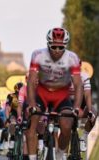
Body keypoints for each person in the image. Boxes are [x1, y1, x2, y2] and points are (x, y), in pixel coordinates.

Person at [27, 27, 83, 160]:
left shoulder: (72, 58)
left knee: (67, 126)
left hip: (61, 96)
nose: (57, 50)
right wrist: (32, 104)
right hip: (42, 93)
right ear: (48, 44)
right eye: (54, 47)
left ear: (65, 45)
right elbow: (31, 81)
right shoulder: (38, 55)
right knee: (32, 124)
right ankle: (32, 157)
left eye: (61, 47)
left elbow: (78, 85)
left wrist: (76, 107)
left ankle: (59, 154)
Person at [69, 71, 97, 153]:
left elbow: (87, 94)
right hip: (67, 101)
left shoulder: (84, 75)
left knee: (94, 113)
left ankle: (83, 138)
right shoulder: (63, 73)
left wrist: (90, 110)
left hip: (81, 100)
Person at [5, 82, 23, 152]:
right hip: (14, 113)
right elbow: (7, 108)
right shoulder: (11, 96)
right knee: (12, 123)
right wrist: (7, 118)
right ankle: (12, 139)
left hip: (23, 113)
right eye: (19, 90)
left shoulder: (26, 95)